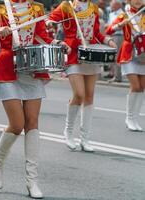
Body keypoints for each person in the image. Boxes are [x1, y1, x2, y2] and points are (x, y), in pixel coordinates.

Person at [0, 0, 69, 198]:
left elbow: (42, 37)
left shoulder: (36, 8)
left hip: (32, 67)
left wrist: (58, 43)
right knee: (16, 124)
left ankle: (32, 181)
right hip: (8, 67)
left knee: (32, 123)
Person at [47, 0, 117, 152]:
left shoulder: (93, 8)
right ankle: (68, 132)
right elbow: (50, 19)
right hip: (73, 53)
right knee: (79, 94)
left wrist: (108, 40)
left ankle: (85, 139)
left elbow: (97, 33)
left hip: (91, 53)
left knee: (89, 96)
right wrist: (50, 23)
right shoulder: (66, 6)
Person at [106, 0, 145, 132]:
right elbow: (109, 30)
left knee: (141, 88)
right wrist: (120, 25)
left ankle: (135, 118)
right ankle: (129, 118)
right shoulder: (125, 15)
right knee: (135, 86)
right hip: (129, 53)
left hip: (143, 53)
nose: (138, 1)